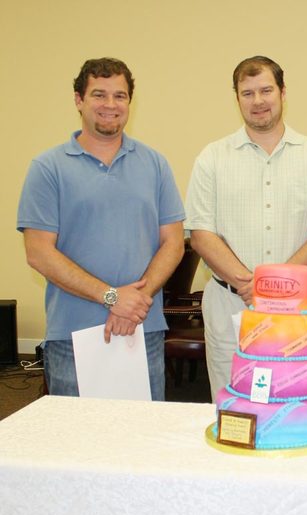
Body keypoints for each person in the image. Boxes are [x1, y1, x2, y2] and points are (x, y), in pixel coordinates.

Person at [17, 57, 185, 401]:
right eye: (99, 95)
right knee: (78, 445)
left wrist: (135, 302)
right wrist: (112, 297)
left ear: (129, 103)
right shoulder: (48, 168)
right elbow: (38, 252)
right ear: (79, 100)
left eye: (119, 96)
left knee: (143, 437)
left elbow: (173, 242)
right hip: (72, 335)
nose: (110, 105)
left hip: (143, 328)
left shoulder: (155, 164)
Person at [185, 55, 307, 399]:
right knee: (233, 402)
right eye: (247, 93)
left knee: (292, 399)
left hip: (298, 309)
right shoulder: (212, 157)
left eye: (266, 90)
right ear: (236, 97)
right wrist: (246, 283)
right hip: (230, 305)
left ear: (283, 92)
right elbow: (200, 233)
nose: (258, 101)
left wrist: (274, 286)